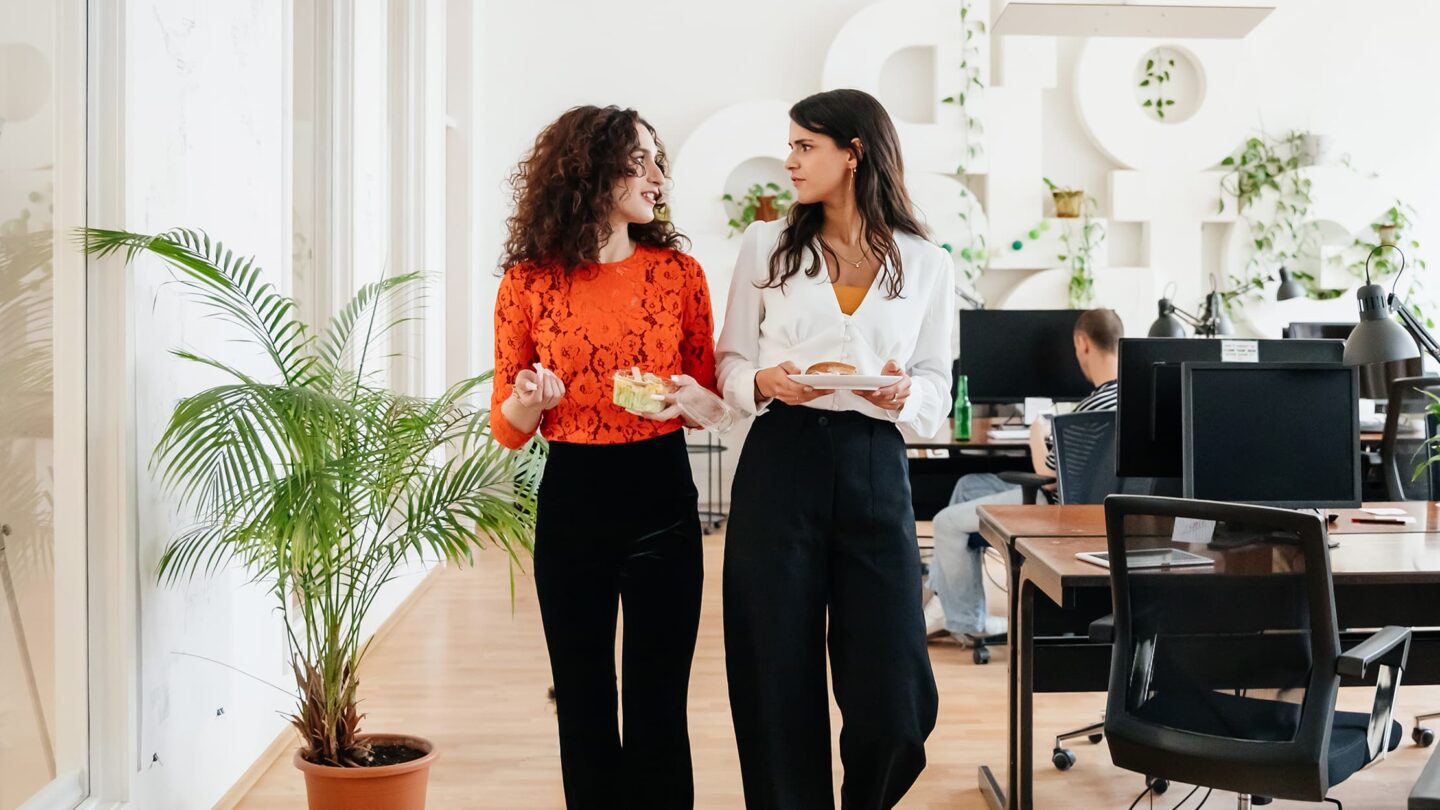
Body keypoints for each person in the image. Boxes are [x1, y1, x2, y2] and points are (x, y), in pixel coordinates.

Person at [716, 88, 952, 810]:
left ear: (853, 154)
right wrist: (762, 380)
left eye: (803, 146)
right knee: (773, 672)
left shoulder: (927, 262)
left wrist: (904, 396)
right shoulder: (765, 246)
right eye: (789, 145)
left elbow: (938, 382)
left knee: (895, 696)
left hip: (875, 465)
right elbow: (728, 363)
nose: (788, 161)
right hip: (780, 459)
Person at [490, 104, 716, 809]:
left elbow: (708, 396)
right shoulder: (527, 283)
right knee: (584, 698)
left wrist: (685, 398)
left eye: (659, 161)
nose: (657, 176)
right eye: (638, 160)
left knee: (657, 702)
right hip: (573, 499)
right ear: (588, 171)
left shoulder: (680, 275)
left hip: (662, 493)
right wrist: (532, 396)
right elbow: (507, 425)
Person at [924, 308, 1122, 641]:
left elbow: (1050, 474)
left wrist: (1035, 435)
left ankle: (970, 624)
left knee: (945, 522)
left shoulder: (1090, 408)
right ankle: (951, 600)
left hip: (1059, 509)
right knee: (967, 485)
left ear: (1082, 343)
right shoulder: (1128, 399)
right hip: (1104, 509)